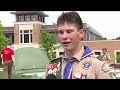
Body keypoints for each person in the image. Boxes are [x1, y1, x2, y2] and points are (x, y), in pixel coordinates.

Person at [44, 11, 115, 79]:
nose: (64, 36)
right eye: (61, 32)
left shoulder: (98, 64)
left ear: (81, 33)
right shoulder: (53, 66)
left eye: (69, 31)